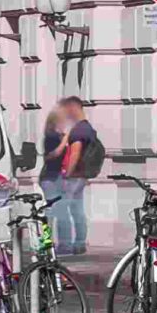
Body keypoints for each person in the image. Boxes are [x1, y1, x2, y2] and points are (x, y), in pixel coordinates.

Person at [44, 98, 102, 254]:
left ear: (73, 108)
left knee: (61, 209)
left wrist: (67, 175)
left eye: (67, 109)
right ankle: (79, 243)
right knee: (77, 210)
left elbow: (75, 154)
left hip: (73, 176)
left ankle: (64, 245)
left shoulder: (79, 131)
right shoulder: (87, 128)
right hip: (81, 176)